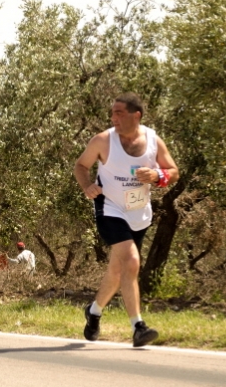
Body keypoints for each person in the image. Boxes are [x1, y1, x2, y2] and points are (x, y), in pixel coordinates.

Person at [73, 93, 179, 347]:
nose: (114, 118)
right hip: (109, 208)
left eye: (119, 113)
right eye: (112, 113)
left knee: (118, 269)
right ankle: (138, 327)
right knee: (131, 261)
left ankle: (94, 311)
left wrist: (156, 175)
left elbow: (173, 172)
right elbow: (80, 166)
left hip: (139, 212)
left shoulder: (153, 141)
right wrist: (87, 186)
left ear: (136, 115)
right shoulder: (103, 140)